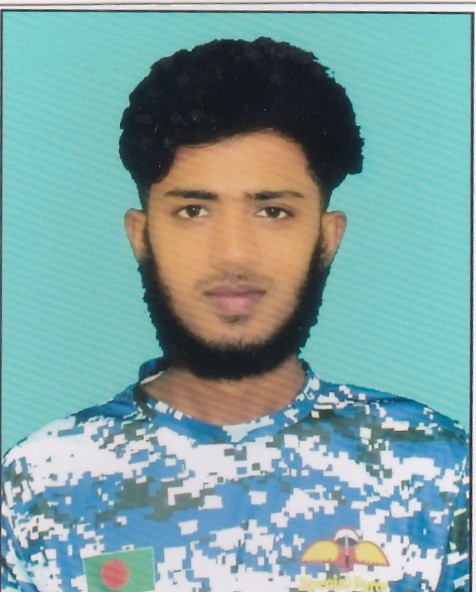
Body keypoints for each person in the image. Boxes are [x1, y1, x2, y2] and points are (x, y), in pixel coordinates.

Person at [2, 37, 468, 592]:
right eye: (193, 211)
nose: (233, 255)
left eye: (273, 211)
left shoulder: (440, 469)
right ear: (141, 236)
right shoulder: (41, 483)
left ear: (326, 238)